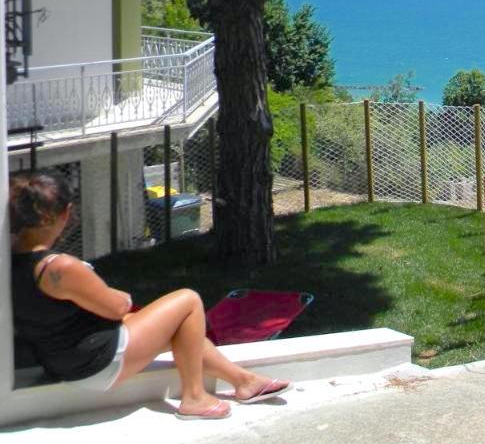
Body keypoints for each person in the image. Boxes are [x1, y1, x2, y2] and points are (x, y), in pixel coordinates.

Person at [9, 170, 290, 420]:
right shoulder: (59, 267)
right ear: (66, 213)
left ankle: (244, 381)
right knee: (188, 300)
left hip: (60, 361)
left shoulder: (10, 261)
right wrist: (120, 296)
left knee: (184, 329)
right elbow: (117, 307)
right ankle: (194, 398)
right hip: (96, 363)